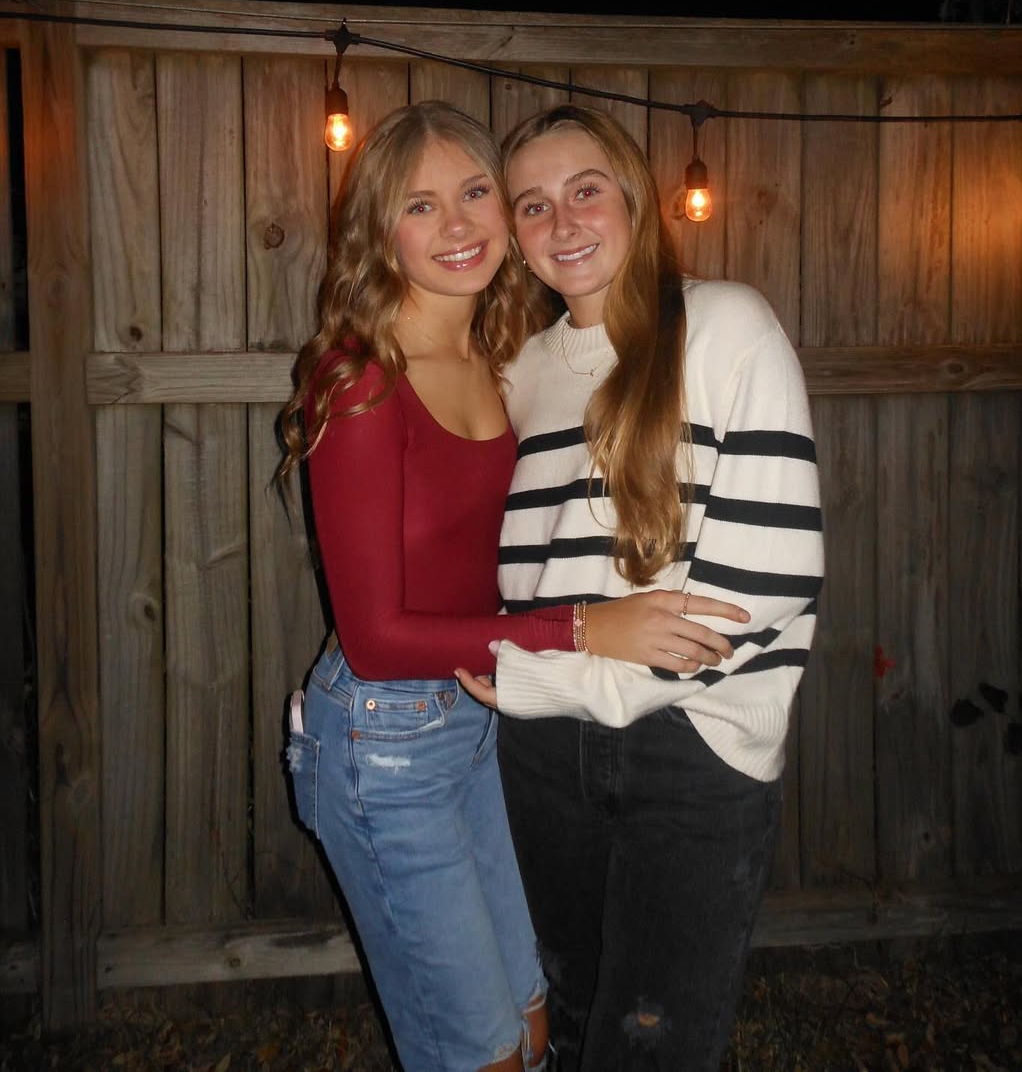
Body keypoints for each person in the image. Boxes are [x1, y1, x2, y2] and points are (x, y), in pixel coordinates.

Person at [278, 100, 744, 1072]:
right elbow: (376, 637)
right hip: (382, 737)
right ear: (379, 230)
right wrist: (586, 628)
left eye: (475, 192)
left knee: (533, 1020)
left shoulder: (505, 359)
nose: (457, 225)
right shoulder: (361, 378)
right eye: (420, 205)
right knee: (483, 1050)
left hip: (481, 715)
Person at [456, 104, 825, 1071]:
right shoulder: (520, 375)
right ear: (516, 239)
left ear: (633, 198)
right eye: (533, 204)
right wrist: (546, 666)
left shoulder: (727, 326)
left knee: (653, 1041)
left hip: (695, 744)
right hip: (544, 753)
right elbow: (508, 574)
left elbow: (765, 582)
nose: (562, 222)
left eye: (585, 191)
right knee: (576, 1019)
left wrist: (556, 672)